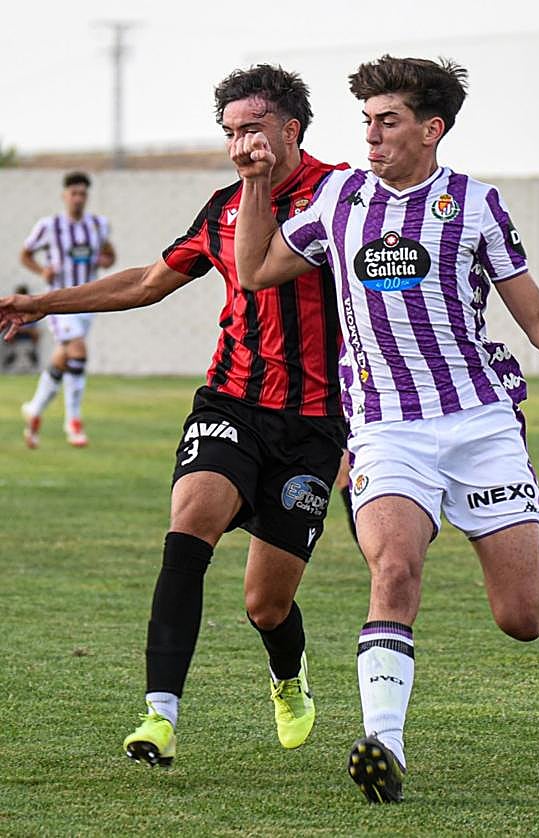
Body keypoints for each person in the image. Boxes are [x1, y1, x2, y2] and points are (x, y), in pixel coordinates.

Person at [230, 55, 539, 804]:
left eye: (387, 120)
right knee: (392, 570)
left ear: (430, 130)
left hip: (478, 424)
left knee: (518, 618)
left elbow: (532, 315)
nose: (371, 134)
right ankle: (382, 745)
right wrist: (256, 181)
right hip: (385, 429)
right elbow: (258, 270)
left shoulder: (475, 205)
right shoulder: (337, 199)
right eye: (365, 119)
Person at [0, 65, 348, 766]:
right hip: (230, 402)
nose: (238, 144)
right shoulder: (223, 207)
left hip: (314, 423)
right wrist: (40, 304)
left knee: (265, 605)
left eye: (251, 128)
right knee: (190, 524)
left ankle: (287, 677)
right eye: (228, 132)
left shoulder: (343, 196)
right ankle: (159, 716)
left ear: (291, 129)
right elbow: (149, 281)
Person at [19, 171, 116, 447]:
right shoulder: (49, 226)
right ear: (64, 196)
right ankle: (73, 421)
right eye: (73, 193)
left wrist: (106, 259)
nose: (78, 198)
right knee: (78, 350)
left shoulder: (98, 225)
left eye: (83, 193)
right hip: (59, 301)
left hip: (88, 300)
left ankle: (35, 409)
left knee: (64, 357)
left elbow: (109, 253)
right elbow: (26, 254)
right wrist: (42, 270)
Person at [1, 284, 41, 372]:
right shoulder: (11, 310)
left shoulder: (31, 310)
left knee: (29, 351)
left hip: (27, 341)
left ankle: (32, 365)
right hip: (14, 342)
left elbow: (35, 333)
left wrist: (24, 330)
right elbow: (6, 330)